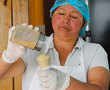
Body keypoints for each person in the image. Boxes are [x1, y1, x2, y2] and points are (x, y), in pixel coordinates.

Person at [0, 0, 110, 90]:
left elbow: (100, 88)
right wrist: (8, 56)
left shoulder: (94, 51)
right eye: (61, 13)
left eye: (74, 17)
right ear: (52, 16)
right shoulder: (33, 48)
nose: (66, 20)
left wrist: (65, 82)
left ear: (83, 24)